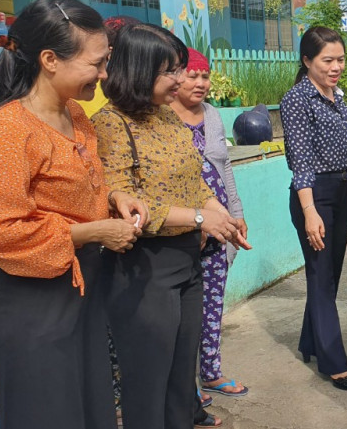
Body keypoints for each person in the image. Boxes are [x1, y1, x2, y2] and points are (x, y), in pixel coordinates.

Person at [0, 0, 145, 429]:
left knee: (88, 406)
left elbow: (74, 191)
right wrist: (91, 233)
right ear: (50, 59)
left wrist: (113, 199)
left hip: (79, 292)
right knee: (47, 412)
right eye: (97, 63)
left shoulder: (76, 117)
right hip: (32, 303)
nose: (105, 75)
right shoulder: (8, 131)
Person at [93, 23, 248, 429]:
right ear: (140, 70)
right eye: (171, 71)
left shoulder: (165, 115)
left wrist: (219, 213)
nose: (181, 79)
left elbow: (192, 176)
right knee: (148, 382)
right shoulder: (111, 124)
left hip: (185, 260)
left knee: (182, 379)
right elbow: (125, 202)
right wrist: (200, 218)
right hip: (144, 267)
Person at [281, 26, 347, 391]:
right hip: (314, 195)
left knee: (329, 273)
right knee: (319, 274)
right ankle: (334, 362)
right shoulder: (297, 99)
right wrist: (310, 211)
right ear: (307, 61)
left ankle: (309, 342)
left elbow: (340, 150)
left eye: (340, 59)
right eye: (327, 60)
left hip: (344, 190)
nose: (336, 67)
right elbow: (301, 160)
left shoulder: (336, 96)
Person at [169, 48, 249, 400]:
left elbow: (225, 166)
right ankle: (185, 386)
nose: (200, 83)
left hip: (219, 225)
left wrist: (237, 212)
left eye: (205, 75)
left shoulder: (213, 116)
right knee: (181, 314)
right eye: (192, 75)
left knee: (213, 303)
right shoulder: (161, 117)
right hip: (179, 227)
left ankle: (211, 372)